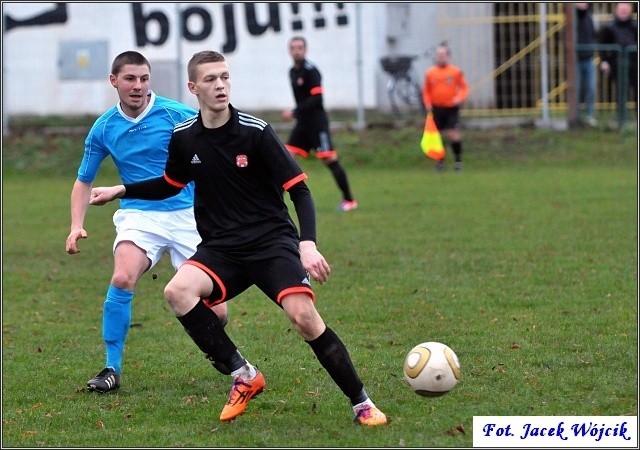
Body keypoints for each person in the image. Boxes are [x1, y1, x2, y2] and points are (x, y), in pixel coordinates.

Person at [88, 50, 388, 426]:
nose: (221, 85)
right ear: (193, 88)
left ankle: (361, 402)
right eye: (211, 79)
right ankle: (243, 374)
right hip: (222, 248)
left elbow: (300, 191)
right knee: (176, 292)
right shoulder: (184, 137)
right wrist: (121, 189)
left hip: (271, 243)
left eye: (225, 77)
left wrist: (306, 243)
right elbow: (170, 183)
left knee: (304, 318)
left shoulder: (255, 132)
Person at [66, 50, 228, 393]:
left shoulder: (177, 114)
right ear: (114, 81)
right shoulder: (104, 128)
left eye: (143, 79)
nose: (137, 86)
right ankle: (112, 367)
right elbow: (84, 180)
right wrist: (76, 224)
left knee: (218, 312)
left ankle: (217, 348)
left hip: (189, 216)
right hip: (140, 215)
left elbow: (217, 141)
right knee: (122, 277)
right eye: (129, 79)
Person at [281, 36, 358, 212]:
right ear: (289, 51)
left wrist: (294, 112)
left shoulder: (311, 71)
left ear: (305, 50)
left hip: (317, 124)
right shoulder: (292, 71)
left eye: (300, 47)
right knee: (284, 158)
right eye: (293, 48)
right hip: (302, 124)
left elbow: (317, 99)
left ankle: (349, 200)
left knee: (330, 159)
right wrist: (298, 114)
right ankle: (275, 204)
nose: (297, 50)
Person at [421, 43, 469, 172]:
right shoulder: (430, 73)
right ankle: (440, 161)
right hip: (436, 108)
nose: (440, 57)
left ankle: (458, 161)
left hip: (451, 108)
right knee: (438, 136)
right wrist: (427, 103)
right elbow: (426, 91)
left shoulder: (455, 72)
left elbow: (464, 87)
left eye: (443, 55)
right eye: (438, 55)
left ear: (448, 56)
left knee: (453, 134)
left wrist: (459, 98)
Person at [598, 2, 638, 113]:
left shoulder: (635, 27)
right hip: (617, 64)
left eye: (626, 9)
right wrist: (604, 61)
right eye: (622, 9)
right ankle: (620, 117)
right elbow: (602, 47)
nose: (624, 12)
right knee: (620, 92)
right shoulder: (609, 28)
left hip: (635, 64)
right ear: (617, 10)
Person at [576, 3, 598, 127]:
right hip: (577, 59)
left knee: (591, 88)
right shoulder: (574, 16)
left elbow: (594, 35)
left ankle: (590, 115)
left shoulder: (589, 17)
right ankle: (576, 116)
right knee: (578, 89)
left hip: (589, 58)